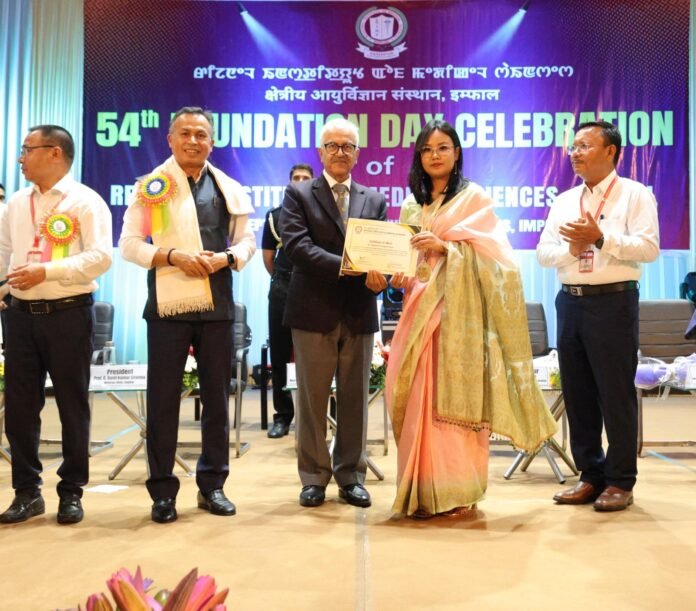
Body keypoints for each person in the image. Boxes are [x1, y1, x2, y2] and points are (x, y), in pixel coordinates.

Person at [386, 119, 557, 519]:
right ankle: (420, 491)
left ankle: (455, 492)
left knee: (453, 405)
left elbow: (502, 264)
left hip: (458, 321)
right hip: (417, 314)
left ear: (457, 152)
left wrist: (446, 248)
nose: (435, 155)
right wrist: (398, 273)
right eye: (427, 149)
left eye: (443, 148)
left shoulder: (473, 199)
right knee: (413, 396)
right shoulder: (412, 205)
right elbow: (409, 263)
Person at [119, 106, 256, 523]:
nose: (193, 141)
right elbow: (128, 244)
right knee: (162, 401)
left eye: (201, 134)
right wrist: (171, 255)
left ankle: (212, 486)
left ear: (211, 141)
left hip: (217, 305)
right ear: (170, 140)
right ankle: (162, 492)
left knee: (216, 399)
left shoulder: (228, 187)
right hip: (168, 308)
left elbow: (247, 241)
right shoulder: (152, 186)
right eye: (185, 134)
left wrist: (227, 258)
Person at [537, 120, 659, 512]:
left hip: (613, 303)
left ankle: (621, 480)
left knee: (615, 393)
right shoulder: (564, 200)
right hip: (570, 302)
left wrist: (601, 238)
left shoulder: (635, 194)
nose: (575, 153)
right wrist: (573, 250)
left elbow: (648, 248)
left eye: (585, 146)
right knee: (578, 393)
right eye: (573, 146)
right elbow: (543, 253)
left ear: (611, 151)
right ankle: (590, 475)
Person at [0, 125, 112, 524]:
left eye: (27, 149)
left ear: (54, 153)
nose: (20, 158)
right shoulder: (16, 202)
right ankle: (27, 492)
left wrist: (47, 271)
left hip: (68, 313)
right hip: (19, 316)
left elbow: (100, 258)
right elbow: (5, 252)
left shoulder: (86, 201)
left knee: (71, 405)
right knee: (19, 408)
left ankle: (71, 492)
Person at [280, 118, 387, 508]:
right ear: (320, 152)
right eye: (333, 145)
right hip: (313, 311)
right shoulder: (298, 194)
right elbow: (297, 246)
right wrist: (350, 267)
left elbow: (381, 252)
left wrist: (384, 273)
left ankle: (351, 476)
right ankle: (313, 477)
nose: (340, 152)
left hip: (358, 312)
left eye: (348, 146)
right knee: (312, 400)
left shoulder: (374, 200)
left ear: (357, 154)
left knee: (355, 399)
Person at [262, 163, 314, 439]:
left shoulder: (322, 213)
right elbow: (268, 258)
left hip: (315, 291)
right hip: (282, 290)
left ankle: (316, 417)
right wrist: (285, 280)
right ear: (289, 182)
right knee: (280, 354)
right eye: (296, 177)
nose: (301, 181)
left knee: (317, 355)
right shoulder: (275, 216)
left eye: (306, 178)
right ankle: (283, 416)